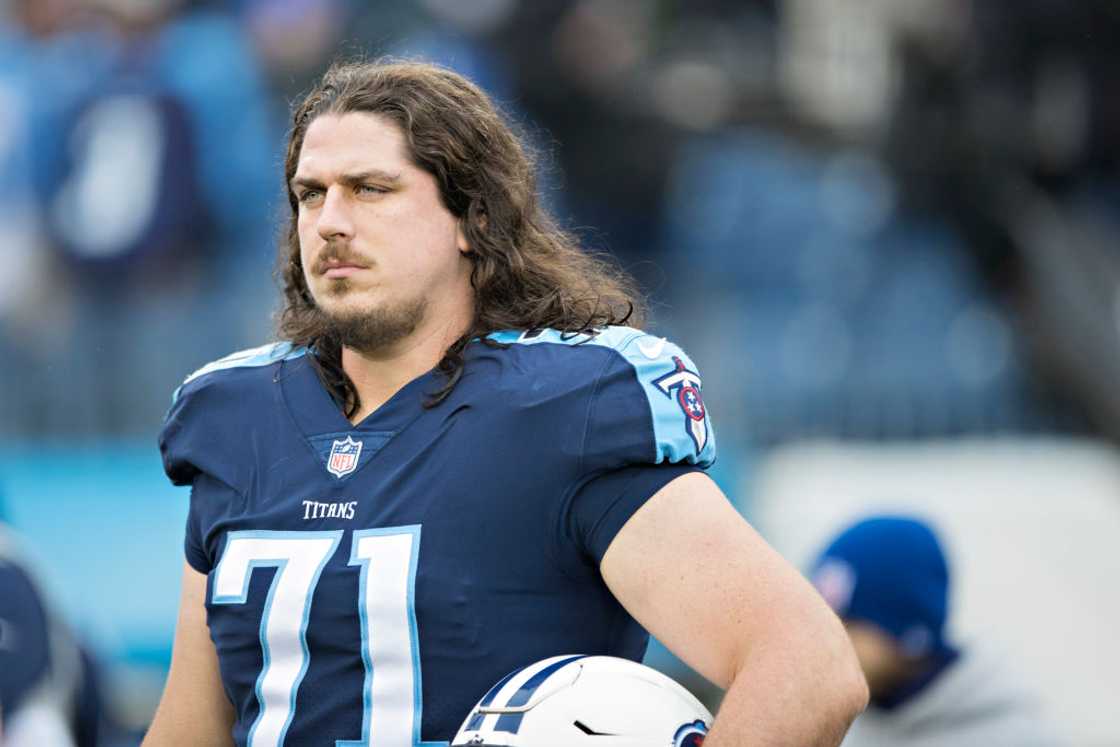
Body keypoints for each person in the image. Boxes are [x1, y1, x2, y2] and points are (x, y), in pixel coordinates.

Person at [143, 59, 867, 746]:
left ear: (473, 218)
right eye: (311, 193)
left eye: (370, 188)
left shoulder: (561, 408)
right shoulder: (234, 417)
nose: (330, 220)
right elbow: (190, 728)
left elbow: (807, 665)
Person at [811, 515, 1061, 746]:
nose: (828, 641)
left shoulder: (1014, 737)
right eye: (822, 622)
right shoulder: (842, 726)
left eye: (848, 624)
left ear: (907, 633)